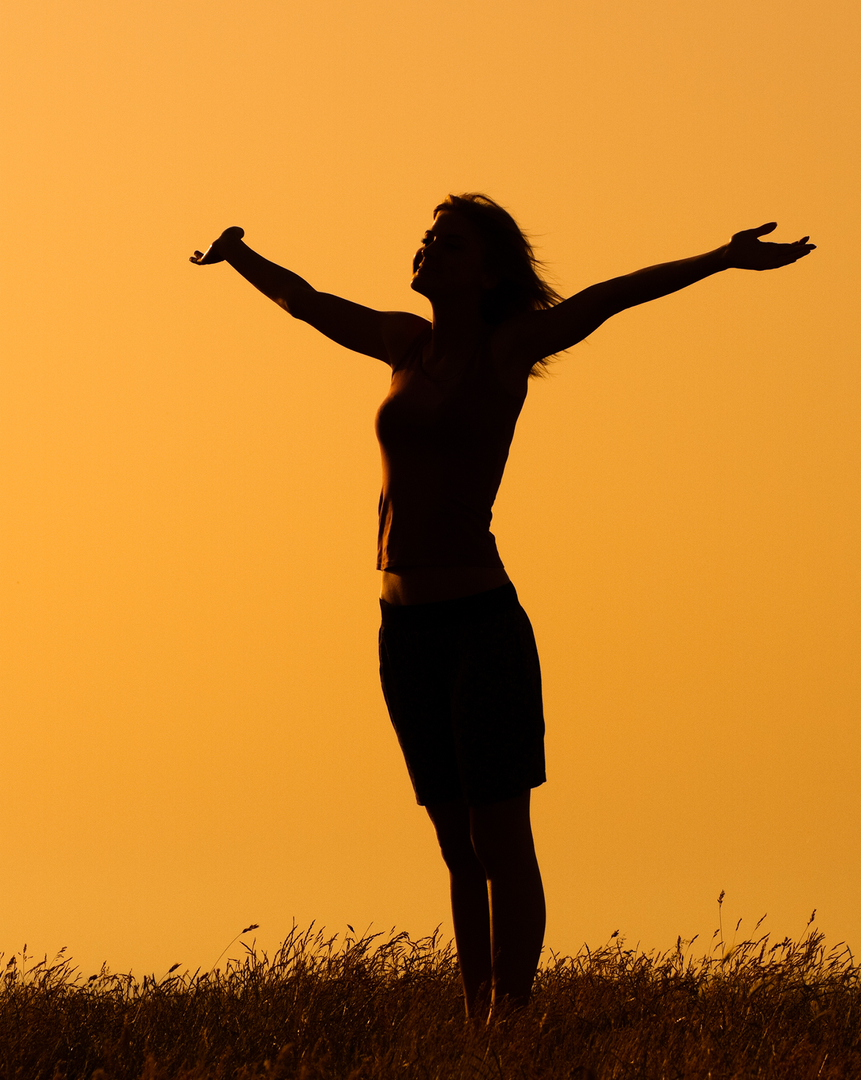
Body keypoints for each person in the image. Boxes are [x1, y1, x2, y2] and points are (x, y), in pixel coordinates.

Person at [190, 195, 814, 1020]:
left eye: (448, 245)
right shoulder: (402, 342)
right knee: (456, 845)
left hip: (480, 625)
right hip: (402, 628)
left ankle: (511, 1024)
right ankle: (475, 1017)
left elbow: (614, 294)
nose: (428, 250)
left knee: (499, 839)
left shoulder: (507, 347)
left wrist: (720, 259)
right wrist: (240, 256)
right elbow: (308, 304)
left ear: (485, 272)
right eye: (427, 239)